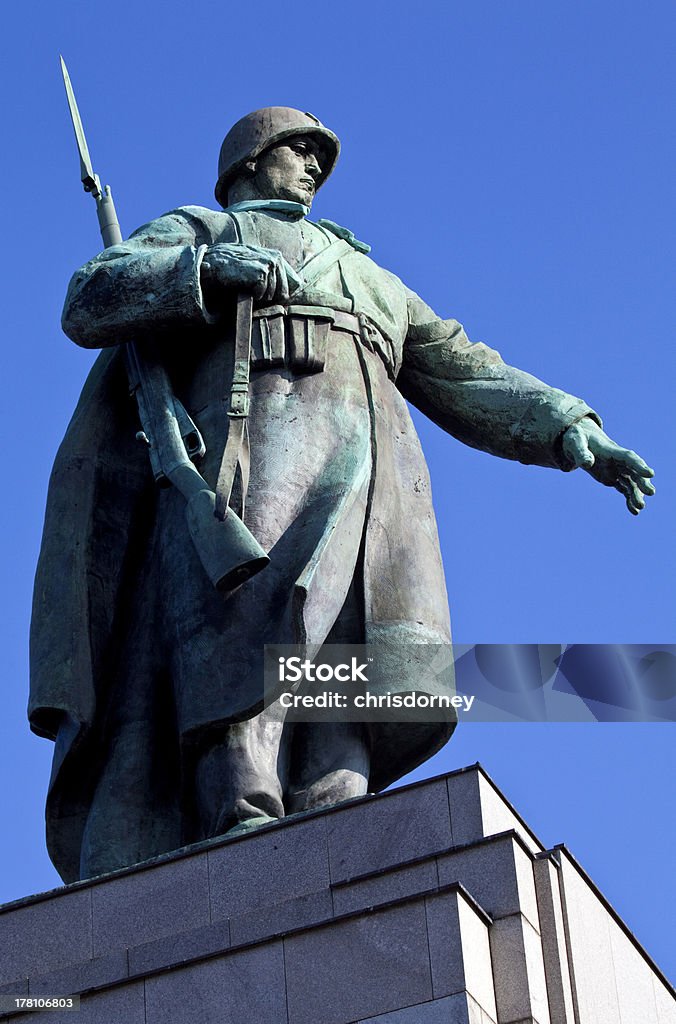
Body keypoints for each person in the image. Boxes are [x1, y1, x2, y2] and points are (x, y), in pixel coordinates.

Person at [30, 108, 654, 882]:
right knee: (253, 627)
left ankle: (338, 814)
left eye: (318, 155)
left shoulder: (367, 273)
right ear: (250, 163)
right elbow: (91, 295)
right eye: (298, 150)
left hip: (375, 476)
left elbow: (462, 367)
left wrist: (567, 427)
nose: (314, 166)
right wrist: (203, 273)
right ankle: (241, 812)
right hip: (256, 444)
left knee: (349, 647)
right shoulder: (201, 227)